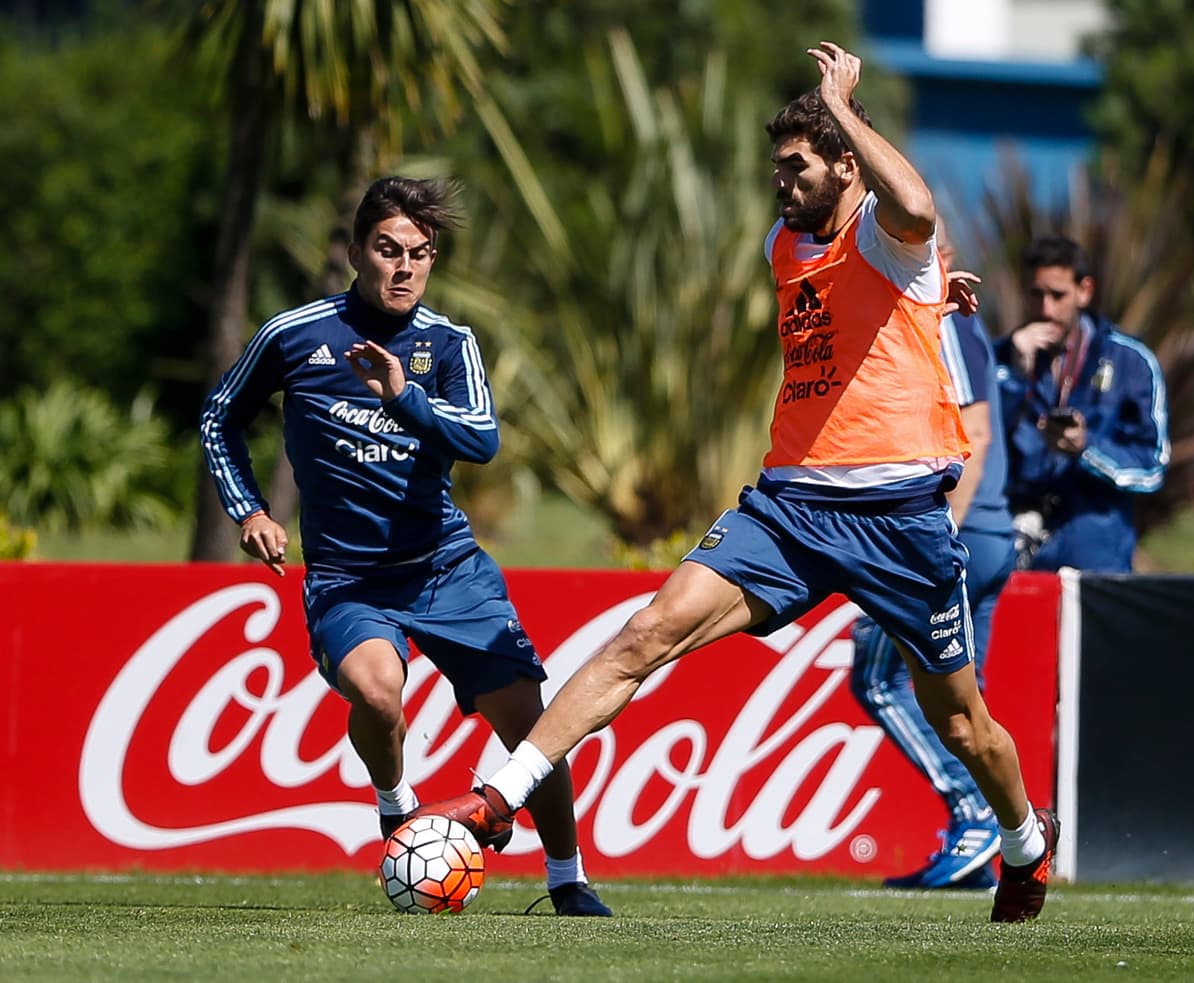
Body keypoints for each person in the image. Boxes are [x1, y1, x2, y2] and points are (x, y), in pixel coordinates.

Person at [421, 41, 1057, 923]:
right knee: (648, 632)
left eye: (796, 166)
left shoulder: (885, 227)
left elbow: (913, 206)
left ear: (844, 159)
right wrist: (923, 293)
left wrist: (841, 108)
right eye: (776, 168)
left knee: (963, 724)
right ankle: (498, 801)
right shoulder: (782, 242)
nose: (780, 182)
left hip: (901, 517)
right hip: (790, 506)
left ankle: (1025, 844)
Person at [199, 176, 611, 917]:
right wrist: (249, 510)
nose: (404, 268)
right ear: (357, 251)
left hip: (447, 568)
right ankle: (397, 805)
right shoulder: (295, 334)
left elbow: (482, 439)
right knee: (379, 691)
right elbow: (219, 417)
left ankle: (567, 876)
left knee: (531, 720)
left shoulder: (448, 343)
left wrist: (404, 396)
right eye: (388, 250)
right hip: (348, 578)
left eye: (420, 255)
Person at [849, 221, 1018, 890]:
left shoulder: (940, 314)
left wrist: (934, 540)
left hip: (958, 535)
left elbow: (972, 435)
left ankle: (977, 813)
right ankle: (997, 838)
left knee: (877, 676)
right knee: (960, 699)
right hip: (988, 532)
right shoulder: (951, 319)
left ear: (937, 253)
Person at [993, 235, 1169, 572]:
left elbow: (1153, 466)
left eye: (1058, 296)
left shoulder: (1131, 361)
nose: (1046, 309)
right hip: (1012, 551)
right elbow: (971, 448)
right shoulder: (998, 357)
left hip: (1094, 557)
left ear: (1084, 291)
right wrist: (1014, 378)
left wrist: (1086, 449)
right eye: (1036, 294)